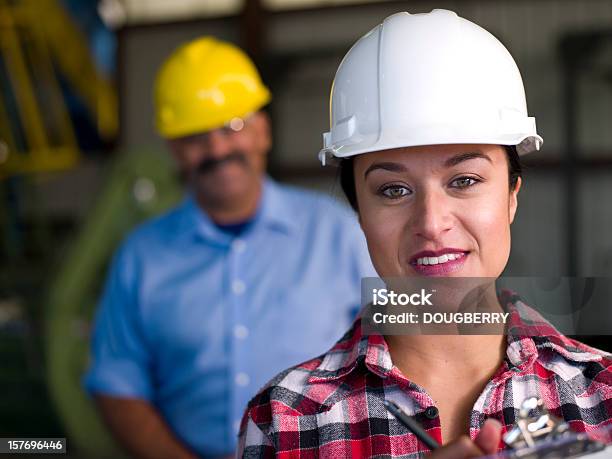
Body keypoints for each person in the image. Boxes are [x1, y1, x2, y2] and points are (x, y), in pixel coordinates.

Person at [238, 10, 612, 458]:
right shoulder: (285, 420)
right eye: (393, 190)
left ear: (512, 194)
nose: (432, 223)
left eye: (465, 180)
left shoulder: (602, 397)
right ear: (359, 213)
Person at [84, 37, 374, 459]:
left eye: (231, 127)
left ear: (262, 129)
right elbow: (116, 383)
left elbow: (407, 347)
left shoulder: (339, 234)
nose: (218, 149)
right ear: (173, 149)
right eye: (195, 137)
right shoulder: (141, 257)